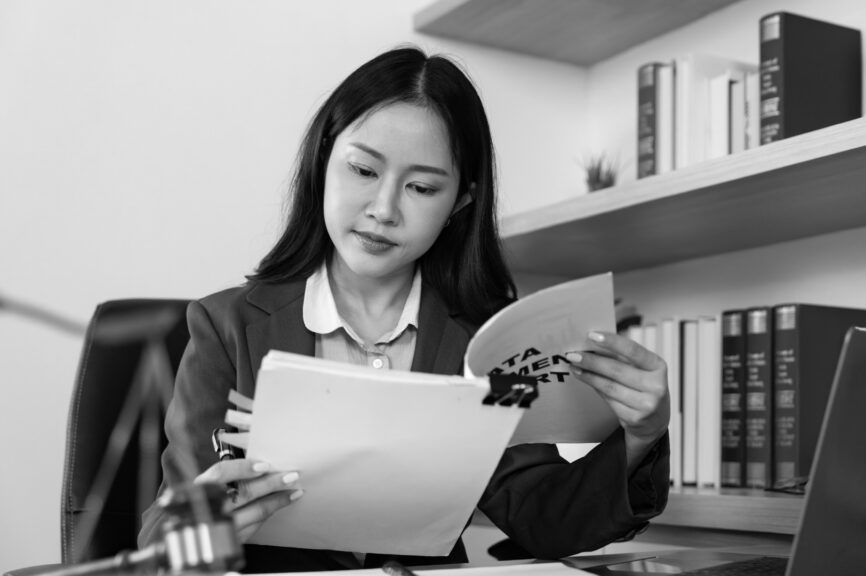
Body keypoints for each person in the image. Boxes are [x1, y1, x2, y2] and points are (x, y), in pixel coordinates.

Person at [139, 45, 670, 572]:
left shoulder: (486, 347)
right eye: (364, 171)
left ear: (460, 201)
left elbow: (543, 517)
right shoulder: (227, 328)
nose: (383, 209)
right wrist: (201, 528)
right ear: (324, 159)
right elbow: (163, 543)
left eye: (421, 187)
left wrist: (641, 436)